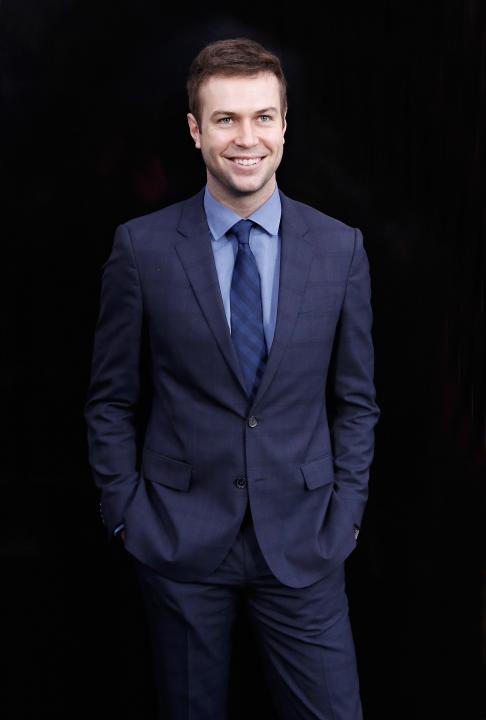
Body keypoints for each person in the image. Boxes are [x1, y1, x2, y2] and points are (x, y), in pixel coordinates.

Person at [84, 36, 380, 720]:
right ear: (195, 130)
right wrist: (125, 515)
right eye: (225, 119)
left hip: (306, 539)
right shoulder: (141, 248)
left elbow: (357, 401)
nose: (247, 138)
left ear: (285, 124)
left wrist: (347, 516)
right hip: (178, 540)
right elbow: (110, 399)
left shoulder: (340, 248)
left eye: (262, 117)